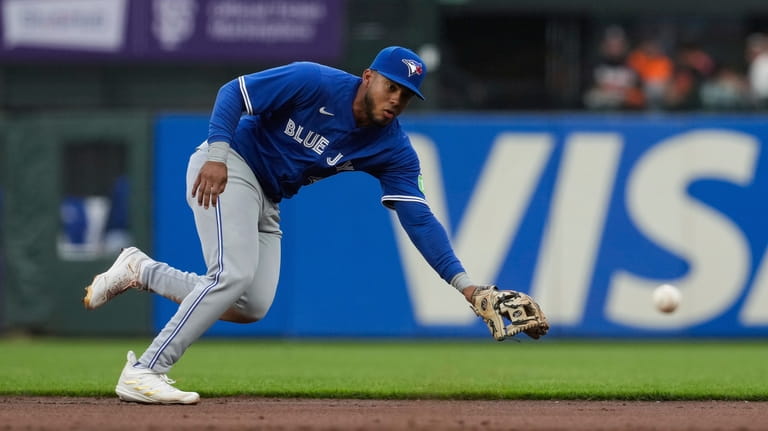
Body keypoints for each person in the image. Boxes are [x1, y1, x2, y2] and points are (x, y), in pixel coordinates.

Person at [82, 46, 547, 405]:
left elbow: (417, 216)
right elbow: (234, 93)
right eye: (391, 87)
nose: (396, 99)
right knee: (233, 274)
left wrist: (466, 287)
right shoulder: (313, 81)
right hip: (228, 166)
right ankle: (145, 370)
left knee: (250, 305)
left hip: (268, 196)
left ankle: (140, 271)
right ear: (369, 76)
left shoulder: (393, 148)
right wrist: (218, 154)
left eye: (406, 95)